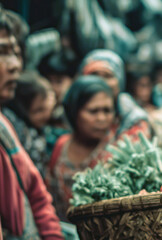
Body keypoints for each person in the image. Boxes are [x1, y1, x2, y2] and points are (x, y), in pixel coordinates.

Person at [0, 7, 63, 239]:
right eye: (3, 51)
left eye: (16, 53)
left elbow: (37, 196)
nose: (15, 64)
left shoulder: (4, 127)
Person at [46, 76, 116, 222]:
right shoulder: (61, 145)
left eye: (107, 110)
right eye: (93, 111)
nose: (102, 118)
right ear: (74, 112)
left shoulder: (117, 149)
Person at [79, 49, 152, 140]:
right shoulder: (73, 111)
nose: (100, 82)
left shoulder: (133, 119)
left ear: (119, 80)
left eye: (107, 76)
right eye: (94, 75)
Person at [3, 71, 55, 178]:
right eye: (38, 111)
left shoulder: (44, 130)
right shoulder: (20, 133)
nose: (45, 115)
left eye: (47, 109)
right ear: (22, 110)